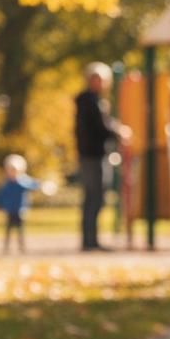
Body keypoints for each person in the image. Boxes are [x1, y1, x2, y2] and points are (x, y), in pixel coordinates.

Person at [75, 62, 124, 252]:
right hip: (92, 156)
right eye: (97, 79)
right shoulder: (89, 101)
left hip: (95, 155)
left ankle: (91, 239)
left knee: (96, 198)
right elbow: (100, 127)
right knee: (93, 197)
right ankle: (89, 240)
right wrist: (118, 132)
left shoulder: (95, 101)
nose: (100, 83)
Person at [0, 154, 40, 254]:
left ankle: (21, 246)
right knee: (8, 229)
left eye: (14, 170)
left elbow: (33, 185)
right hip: (10, 209)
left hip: (20, 210)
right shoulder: (7, 184)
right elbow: (1, 195)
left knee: (20, 229)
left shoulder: (22, 182)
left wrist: (37, 183)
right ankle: (6, 246)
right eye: (10, 170)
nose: (12, 173)